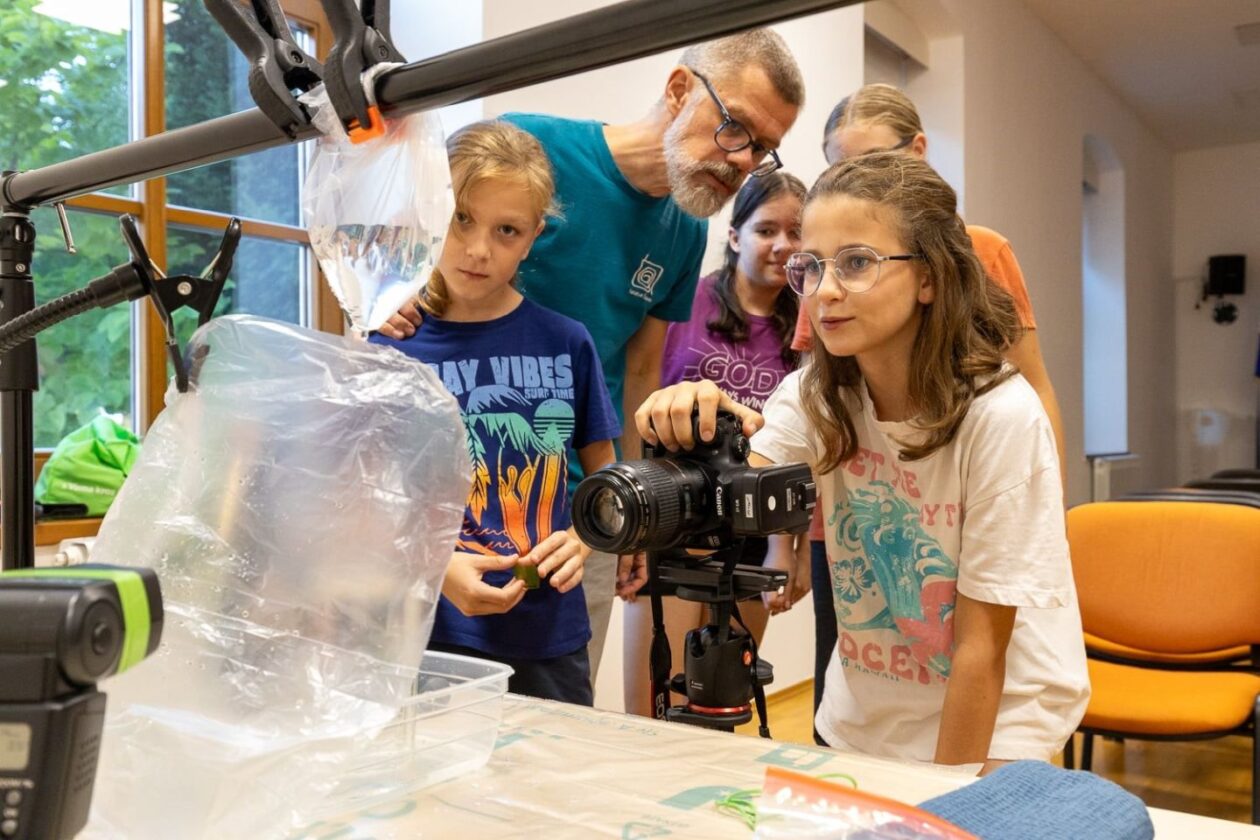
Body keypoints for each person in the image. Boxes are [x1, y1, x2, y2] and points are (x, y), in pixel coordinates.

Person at [632, 153, 1089, 771]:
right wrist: (687, 439)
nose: (824, 292)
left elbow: (981, 650)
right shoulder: (816, 394)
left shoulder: (1000, 416)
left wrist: (940, 800)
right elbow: (719, 506)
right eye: (812, 266)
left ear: (929, 277)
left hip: (999, 714)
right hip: (866, 709)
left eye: (856, 263)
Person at [377, 31, 805, 683]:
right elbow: (417, 239)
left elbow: (641, 369)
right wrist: (391, 293)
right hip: (453, 511)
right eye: (736, 127)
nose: (743, 160)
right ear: (680, 90)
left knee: (558, 698)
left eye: (763, 148)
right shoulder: (530, 146)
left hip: (578, 515)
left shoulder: (685, 230)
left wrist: (633, 515)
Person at [795, 84, 1069, 739]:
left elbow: (1032, 388)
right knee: (868, 653)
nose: (828, 290)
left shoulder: (983, 263)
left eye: (857, 262)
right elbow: (804, 403)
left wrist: (1043, 514)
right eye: (839, 167)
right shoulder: (829, 336)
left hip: (965, 509)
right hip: (859, 514)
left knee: (961, 642)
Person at [370, 121, 622, 704]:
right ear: (433, 212)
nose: (479, 249)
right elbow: (367, 502)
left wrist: (584, 538)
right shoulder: (389, 344)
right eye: (462, 219)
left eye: (506, 230)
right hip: (427, 633)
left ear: (533, 237)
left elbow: (606, 475)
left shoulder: (568, 342)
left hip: (549, 634)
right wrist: (439, 569)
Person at [622, 171, 810, 717]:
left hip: (754, 527)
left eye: (796, 233)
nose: (782, 246)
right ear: (734, 236)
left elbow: (803, 444)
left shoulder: (809, 325)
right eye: (766, 230)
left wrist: (788, 547)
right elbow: (640, 388)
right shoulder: (688, 303)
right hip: (674, 517)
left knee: (722, 705)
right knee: (656, 708)